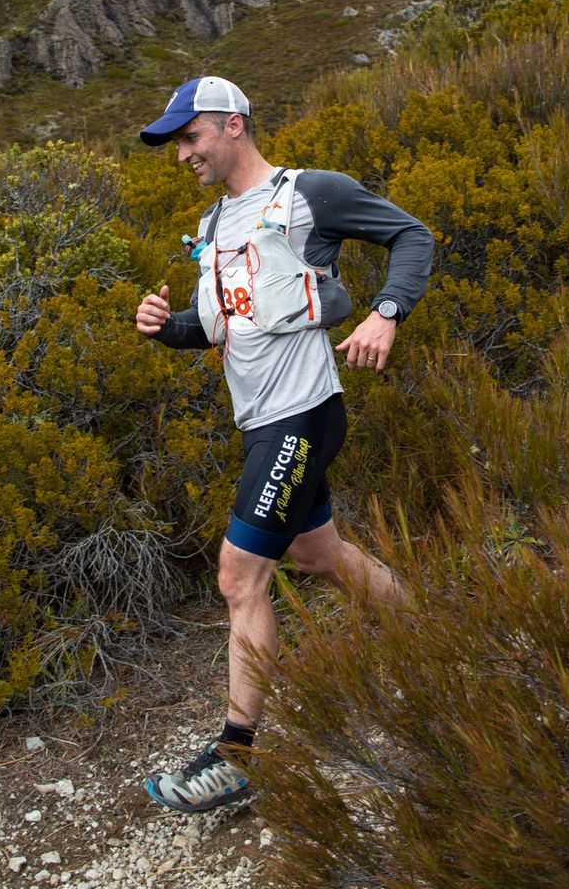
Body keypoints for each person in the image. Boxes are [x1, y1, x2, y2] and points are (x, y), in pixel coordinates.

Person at [132, 75, 434, 813]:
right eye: (175, 143)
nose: (182, 154)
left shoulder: (310, 193)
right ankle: (436, 643)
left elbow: (412, 235)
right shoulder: (214, 225)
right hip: (264, 420)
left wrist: (385, 314)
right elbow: (223, 324)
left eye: (190, 137)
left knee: (240, 576)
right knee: (318, 554)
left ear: (233, 124)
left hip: (303, 414)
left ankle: (235, 756)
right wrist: (163, 327)